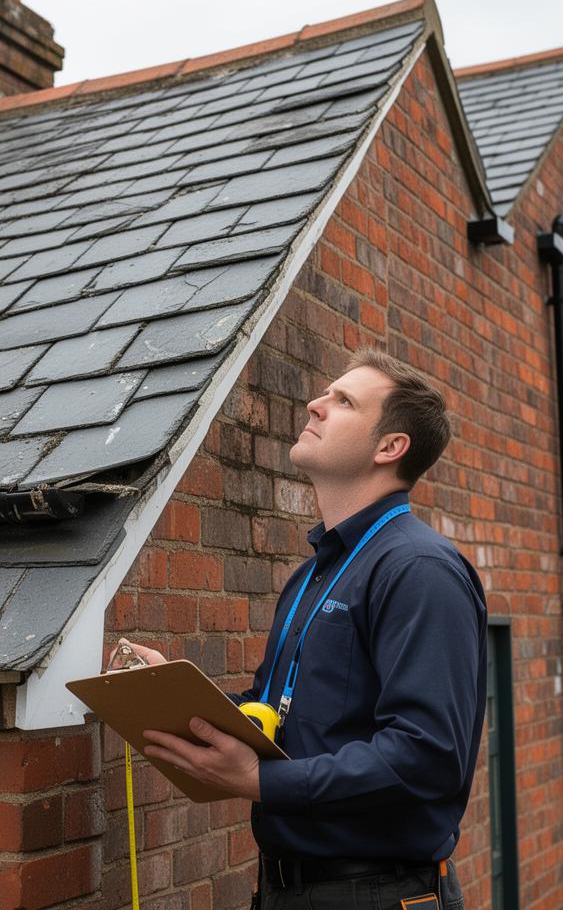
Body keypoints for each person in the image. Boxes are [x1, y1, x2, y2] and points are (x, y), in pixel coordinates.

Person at [112, 348, 486, 909]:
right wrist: (175, 695)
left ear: (390, 447)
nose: (315, 403)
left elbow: (427, 756)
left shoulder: (419, 570)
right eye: (327, 393)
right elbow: (278, 712)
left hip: (379, 893)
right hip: (287, 890)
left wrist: (261, 783)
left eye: (343, 401)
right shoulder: (312, 575)